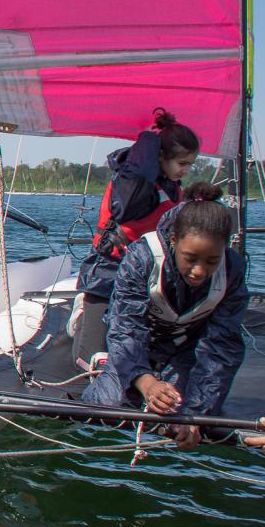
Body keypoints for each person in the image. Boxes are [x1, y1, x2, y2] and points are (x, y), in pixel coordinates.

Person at [82, 183, 248, 449]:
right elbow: (126, 327)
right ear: (173, 240)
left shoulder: (232, 271)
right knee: (109, 405)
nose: (199, 271)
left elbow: (221, 347)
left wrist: (196, 415)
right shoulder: (143, 257)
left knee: (178, 412)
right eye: (190, 258)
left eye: (211, 261)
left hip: (185, 348)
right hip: (137, 344)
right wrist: (146, 383)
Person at [73, 109, 200, 365]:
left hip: (143, 269)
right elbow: (139, 177)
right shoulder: (135, 185)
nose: (186, 170)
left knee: (134, 342)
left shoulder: (171, 187)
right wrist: (149, 143)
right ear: (160, 157)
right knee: (90, 358)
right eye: (182, 163)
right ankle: (83, 314)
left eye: (190, 164)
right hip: (109, 268)